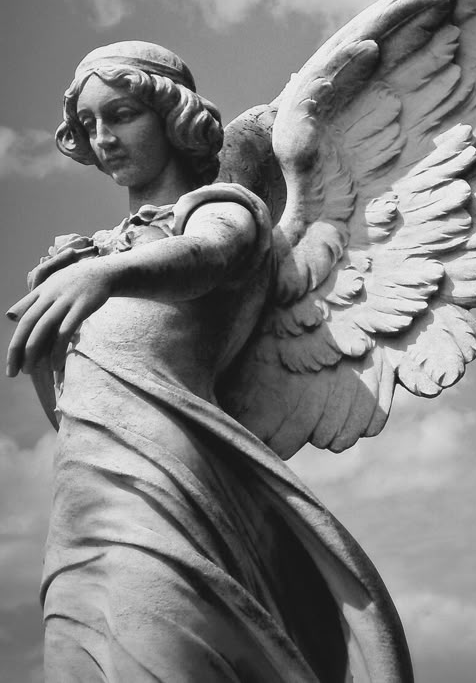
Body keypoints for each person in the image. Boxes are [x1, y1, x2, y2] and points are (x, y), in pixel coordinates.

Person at [6, 41, 412, 683]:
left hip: (165, 480)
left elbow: (211, 256)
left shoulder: (220, 213)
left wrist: (104, 276)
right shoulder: (95, 257)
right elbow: (69, 413)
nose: (104, 137)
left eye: (122, 114)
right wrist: (44, 344)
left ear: (172, 115)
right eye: (89, 125)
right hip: (80, 507)